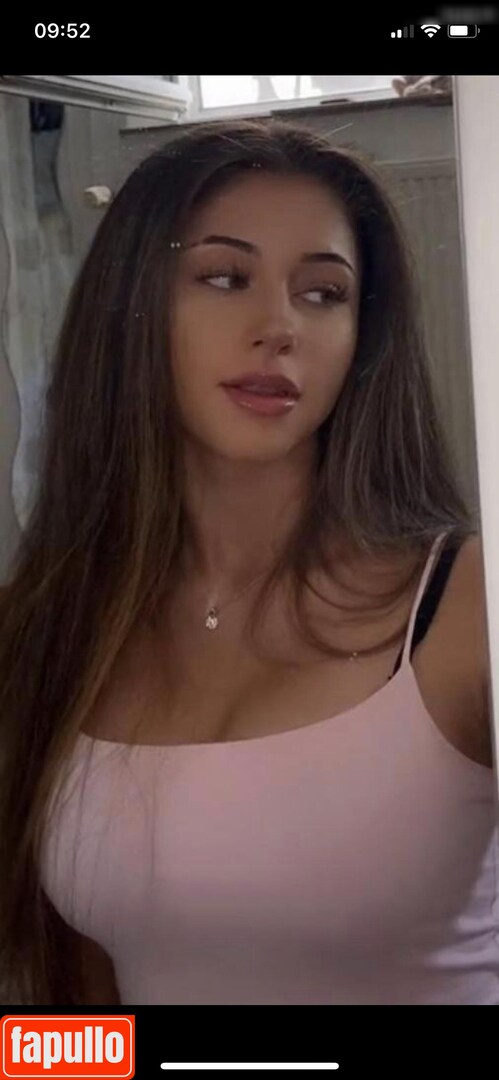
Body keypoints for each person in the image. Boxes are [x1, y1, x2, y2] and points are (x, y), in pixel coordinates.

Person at [0, 118, 496, 1006]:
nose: (279, 328)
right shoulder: (53, 621)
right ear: (129, 309)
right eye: (225, 278)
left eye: (323, 293)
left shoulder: (466, 609)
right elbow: (77, 1001)